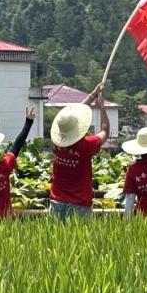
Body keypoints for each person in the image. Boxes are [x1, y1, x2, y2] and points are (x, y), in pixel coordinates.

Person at [49, 82, 109, 220]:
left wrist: (93, 94)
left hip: (56, 202)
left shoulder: (56, 142)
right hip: (79, 204)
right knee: (80, 235)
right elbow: (105, 131)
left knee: (55, 234)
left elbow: (73, 116)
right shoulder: (86, 145)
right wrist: (102, 108)